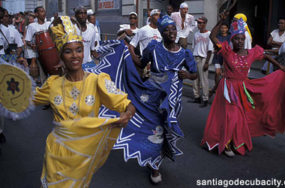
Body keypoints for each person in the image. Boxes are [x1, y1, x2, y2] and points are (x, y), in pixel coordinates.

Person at [32, 16, 135, 187]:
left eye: (79, 50)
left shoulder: (97, 81)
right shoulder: (53, 84)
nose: (75, 56)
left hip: (83, 157)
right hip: (56, 154)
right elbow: (24, 100)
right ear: (61, 55)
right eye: (68, 51)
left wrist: (127, 114)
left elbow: (127, 104)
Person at [201, 12, 285, 157]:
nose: (240, 41)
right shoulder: (227, 51)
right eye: (237, 39)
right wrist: (220, 22)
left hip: (242, 89)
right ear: (232, 40)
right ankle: (226, 144)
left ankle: (234, 141)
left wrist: (280, 66)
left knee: (238, 117)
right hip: (227, 89)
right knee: (230, 115)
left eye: (242, 39)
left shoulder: (251, 53)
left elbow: (265, 55)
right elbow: (212, 37)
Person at [114, 15, 197, 184]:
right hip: (151, 97)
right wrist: (128, 49)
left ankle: (157, 157)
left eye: (173, 29)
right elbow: (140, 63)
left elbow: (195, 74)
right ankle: (155, 165)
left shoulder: (185, 53)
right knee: (155, 130)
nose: (171, 32)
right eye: (166, 30)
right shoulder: (153, 48)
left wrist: (188, 75)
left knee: (165, 130)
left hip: (172, 101)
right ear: (161, 33)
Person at [129, 9, 162, 78]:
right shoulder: (143, 30)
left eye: (159, 15)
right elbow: (131, 45)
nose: (158, 17)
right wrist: (134, 57)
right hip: (146, 64)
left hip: (158, 63)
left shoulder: (161, 30)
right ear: (151, 17)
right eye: (156, 15)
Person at [25, 6, 51, 83]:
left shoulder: (49, 24)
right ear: (36, 14)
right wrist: (32, 45)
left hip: (51, 54)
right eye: (41, 11)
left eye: (44, 11)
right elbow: (27, 40)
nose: (44, 13)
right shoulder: (32, 26)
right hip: (39, 55)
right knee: (43, 76)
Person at [192, 16, 213, 107]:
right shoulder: (196, 34)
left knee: (204, 79)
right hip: (196, 57)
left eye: (201, 23)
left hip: (204, 58)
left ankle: (205, 99)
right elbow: (194, 46)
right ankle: (196, 97)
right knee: (195, 79)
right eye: (198, 22)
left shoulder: (209, 34)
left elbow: (210, 50)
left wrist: (207, 62)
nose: (199, 24)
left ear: (205, 23)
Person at [210, 22, 230, 96]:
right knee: (217, 72)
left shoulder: (230, 37)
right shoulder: (217, 37)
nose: (223, 29)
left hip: (226, 58)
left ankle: (222, 88)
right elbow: (215, 45)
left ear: (227, 29)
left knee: (224, 74)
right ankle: (217, 86)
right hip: (218, 57)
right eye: (222, 28)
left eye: (225, 28)